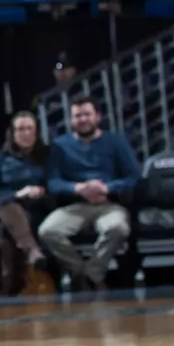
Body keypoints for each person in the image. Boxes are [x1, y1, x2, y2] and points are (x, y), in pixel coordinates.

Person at [40, 97, 139, 290]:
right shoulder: (60, 145)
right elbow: (52, 182)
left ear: (97, 117)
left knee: (118, 229)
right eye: (77, 116)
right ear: (71, 120)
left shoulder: (115, 141)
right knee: (47, 231)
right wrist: (77, 188)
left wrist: (106, 187)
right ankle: (79, 271)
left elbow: (134, 177)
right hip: (75, 204)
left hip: (108, 204)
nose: (83, 119)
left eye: (87, 114)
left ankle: (91, 275)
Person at [0, 112, 53, 295]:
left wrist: (41, 191)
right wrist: (17, 194)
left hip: (35, 208)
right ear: (12, 133)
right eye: (21, 129)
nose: (26, 133)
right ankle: (32, 252)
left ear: (36, 132)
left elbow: (53, 183)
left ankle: (9, 284)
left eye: (30, 128)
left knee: (6, 228)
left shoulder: (46, 156)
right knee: (8, 208)